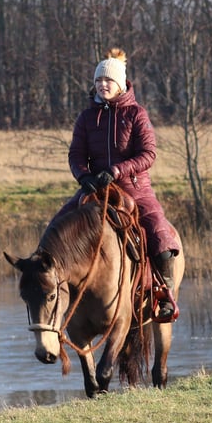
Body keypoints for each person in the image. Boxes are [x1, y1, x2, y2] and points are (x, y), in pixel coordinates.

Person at [53, 47, 181, 321]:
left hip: (134, 188)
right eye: (99, 81)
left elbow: (149, 154)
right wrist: (83, 176)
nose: (102, 85)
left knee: (158, 227)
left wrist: (116, 170)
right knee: (57, 226)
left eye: (108, 81)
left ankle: (164, 293)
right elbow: (76, 154)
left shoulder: (137, 114)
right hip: (96, 189)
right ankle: (52, 295)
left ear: (120, 84)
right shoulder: (86, 118)